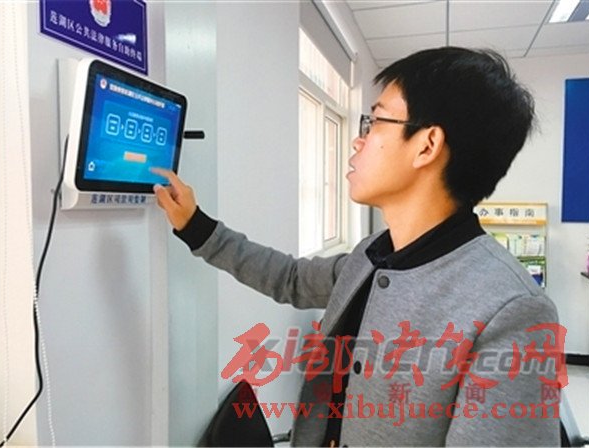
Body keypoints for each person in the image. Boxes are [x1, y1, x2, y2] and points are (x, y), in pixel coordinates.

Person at [152, 47, 562, 447]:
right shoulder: (373, 255)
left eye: (375, 122)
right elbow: (291, 278)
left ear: (427, 145)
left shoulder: (512, 309)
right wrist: (196, 227)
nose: (357, 141)